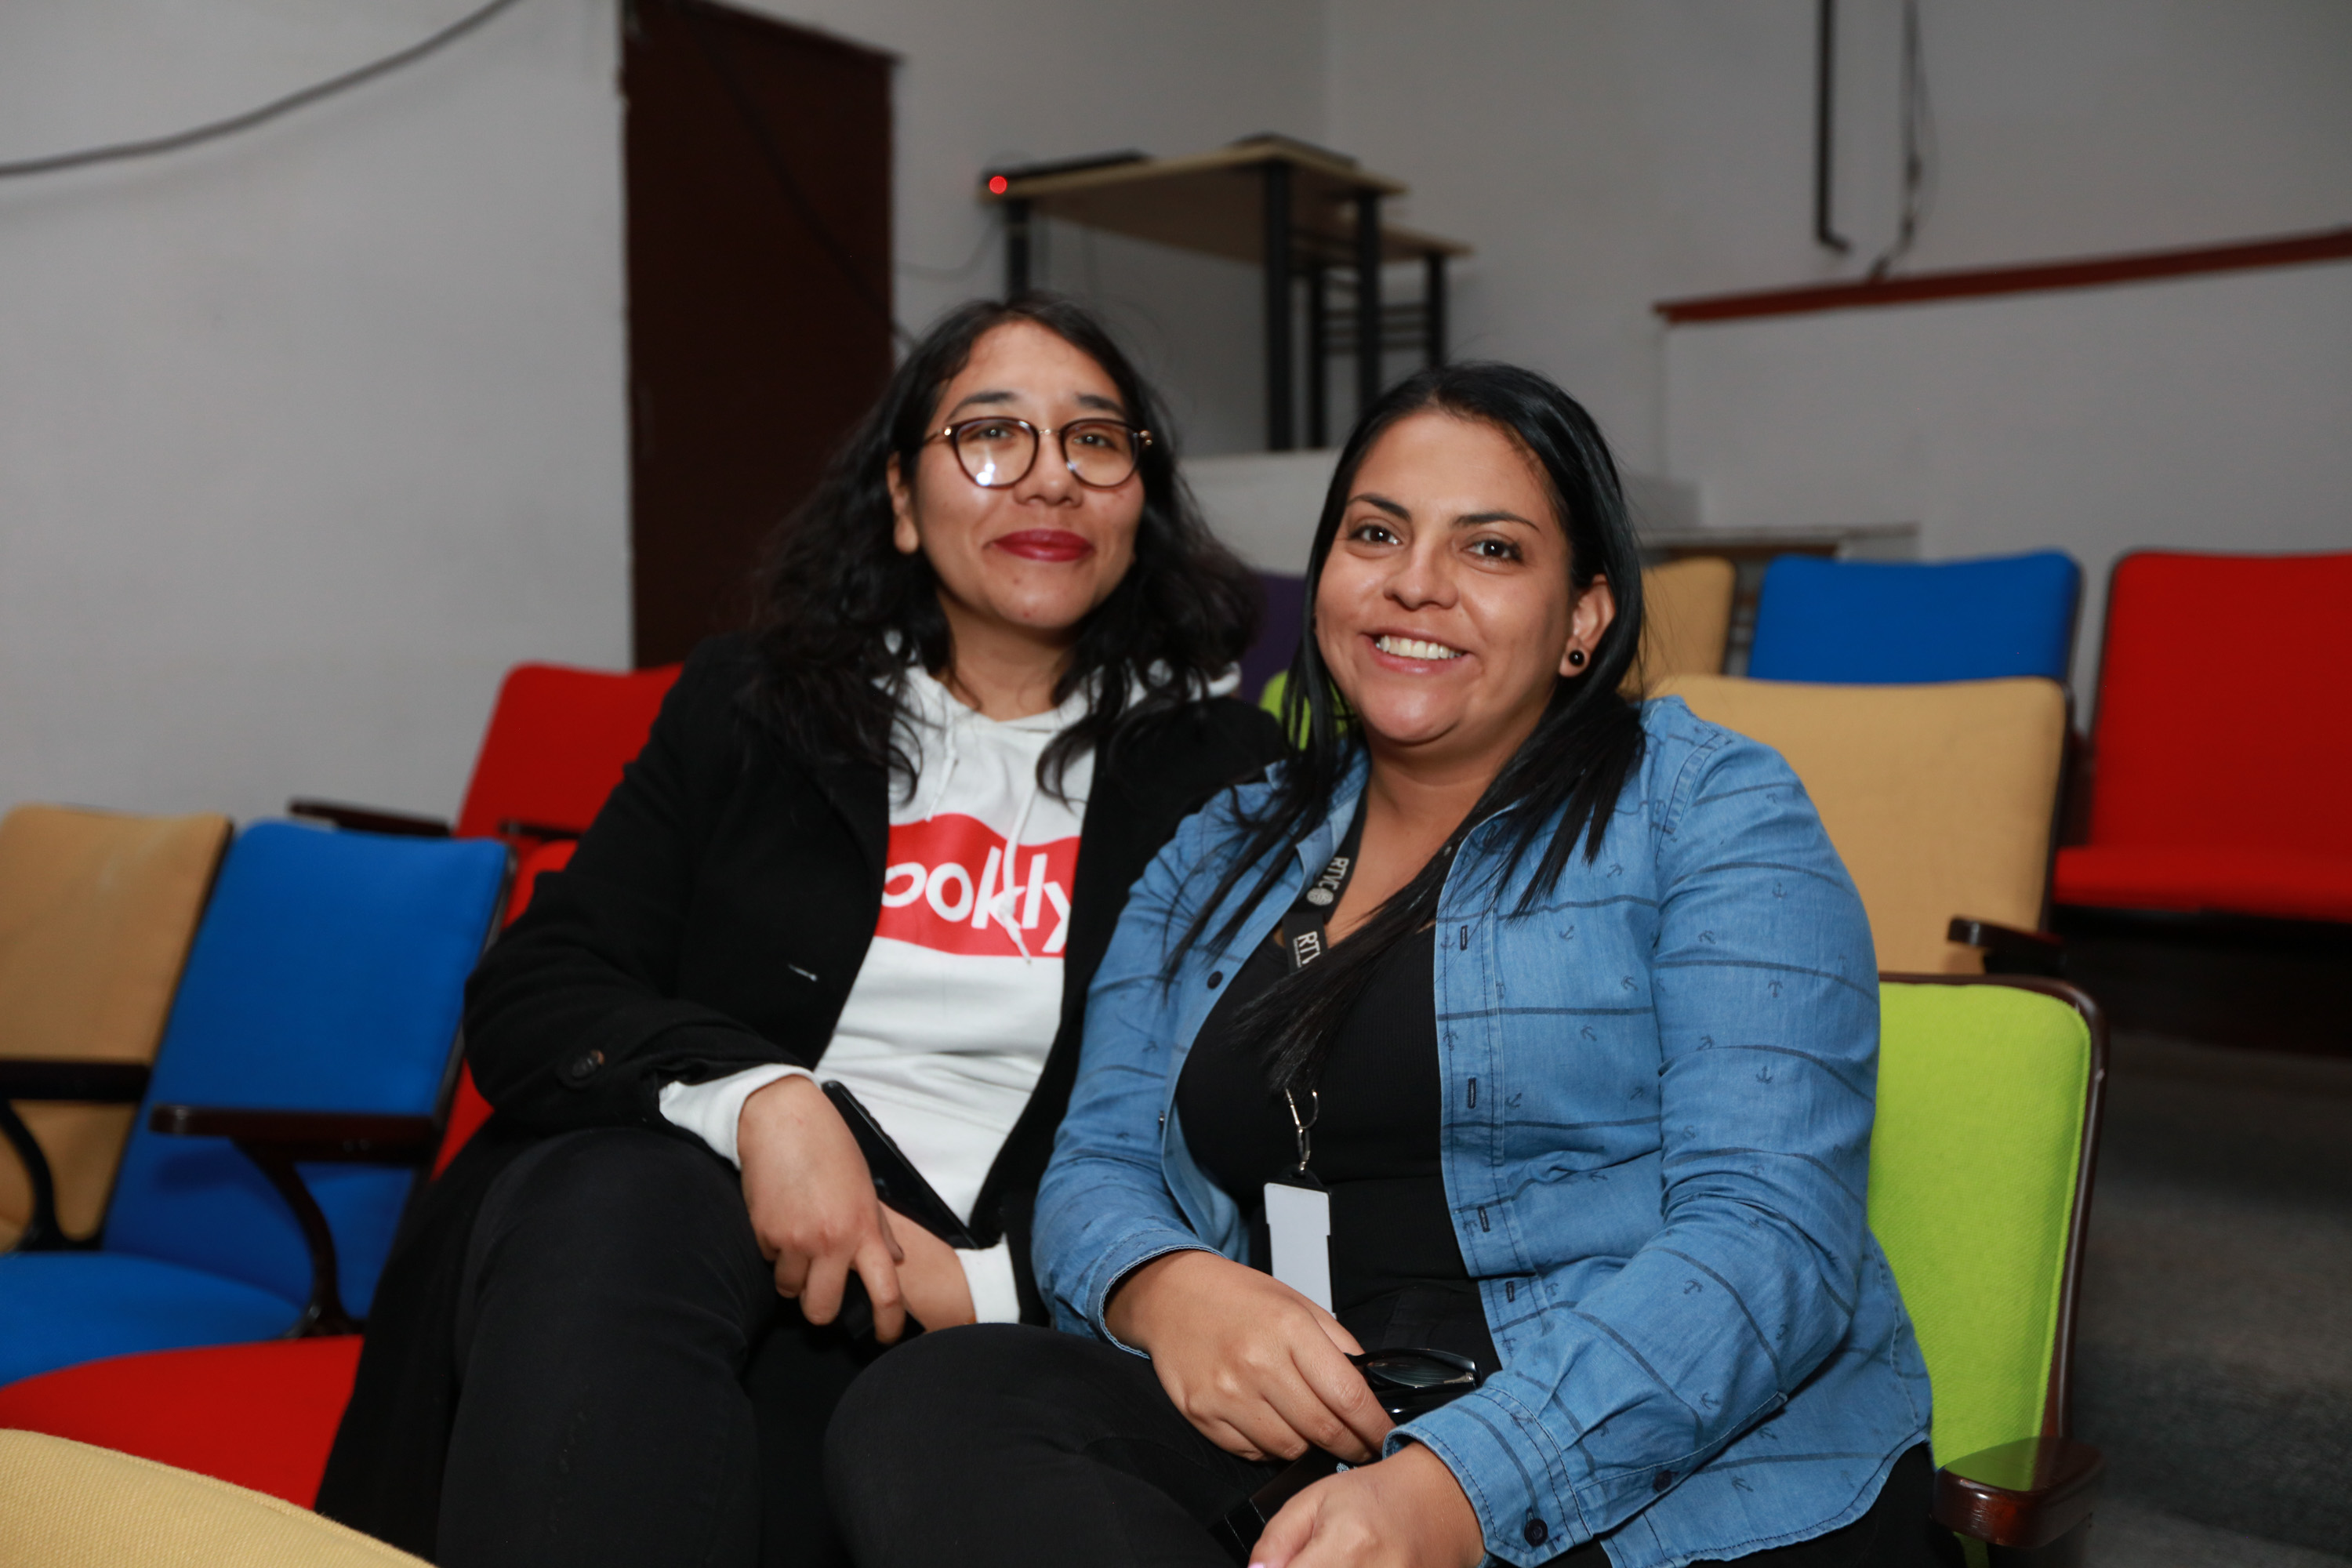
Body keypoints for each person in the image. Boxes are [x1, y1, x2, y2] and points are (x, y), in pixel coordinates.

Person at [826, 362, 1950, 1568]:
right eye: (1376, 533)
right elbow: (1097, 1161)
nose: (1416, 582)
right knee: (929, 1412)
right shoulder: (1220, 848)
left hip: (1657, 1469)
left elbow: (1771, 1242)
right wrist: (1165, 1285)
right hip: (1323, 1433)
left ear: (1585, 617)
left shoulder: (1709, 810)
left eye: (1492, 549)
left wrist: (1458, 1490)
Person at [314, 296, 1287, 1568]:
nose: (1049, 475)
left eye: (1095, 441)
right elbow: (540, 983)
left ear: (1136, 504)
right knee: (610, 1198)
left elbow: (1251, 1114)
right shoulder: (751, 710)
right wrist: (763, 1102)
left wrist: (996, 1281)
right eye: (991, 434)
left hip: (993, 1316)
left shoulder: (1231, 777)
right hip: (703, 1246)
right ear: (901, 500)